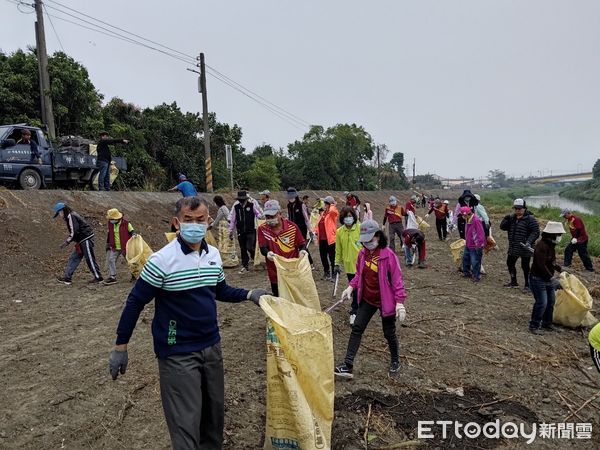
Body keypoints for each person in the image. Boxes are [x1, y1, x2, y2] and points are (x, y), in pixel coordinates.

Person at [108, 196, 268, 449]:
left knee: (213, 420)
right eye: (188, 220)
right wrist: (121, 346)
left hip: (211, 347)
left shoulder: (213, 255)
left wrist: (249, 295)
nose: (195, 225)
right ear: (176, 223)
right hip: (177, 351)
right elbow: (135, 302)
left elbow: (219, 290)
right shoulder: (161, 261)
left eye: (200, 220)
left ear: (208, 222)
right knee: (185, 425)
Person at [334, 220, 406, 379]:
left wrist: (399, 302)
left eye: (370, 240)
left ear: (379, 236)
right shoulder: (362, 254)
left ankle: (395, 360)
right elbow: (359, 274)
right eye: (364, 241)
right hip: (368, 298)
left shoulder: (389, 256)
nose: (367, 244)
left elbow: (397, 280)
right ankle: (347, 364)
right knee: (357, 328)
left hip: (385, 301)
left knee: (389, 333)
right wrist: (350, 287)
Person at [258, 200, 307, 296]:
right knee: (278, 297)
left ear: (280, 214)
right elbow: (263, 247)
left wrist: (302, 251)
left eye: (272, 216)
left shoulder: (292, 227)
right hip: (274, 271)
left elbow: (301, 244)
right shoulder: (262, 229)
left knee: (294, 296)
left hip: (292, 270)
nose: (269, 219)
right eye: (267, 217)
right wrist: (267, 253)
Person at [528, 221, 565, 334]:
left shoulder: (551, 245)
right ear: (552, 234)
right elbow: (541, 264)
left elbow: (551, 261)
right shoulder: (541, 246)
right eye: (558, 234)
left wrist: (560, 269)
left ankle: (547, 323)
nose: (560, 237)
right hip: (538, 279)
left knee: (550, 302)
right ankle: (534, 325)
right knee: (541, 302)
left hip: (546, 279)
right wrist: (551, 277)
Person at [54, 202, 103, 284]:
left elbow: (74, 231)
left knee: (89, 258)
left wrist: (67, 242)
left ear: (63, 210)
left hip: (86, 238)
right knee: (73, 258)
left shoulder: (71, 216)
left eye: (59, 213)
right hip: (81, 240)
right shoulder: (70, 216)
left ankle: (98, 277)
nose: (59, 215)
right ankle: (67, 277)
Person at [499, 199, 540, 293]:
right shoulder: (512, 218)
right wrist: (506, 219)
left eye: (520, 208)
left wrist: (529, 242)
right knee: (510, 263)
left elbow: (536, 232)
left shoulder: (530, 218)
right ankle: (514, 282)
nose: (517, 210)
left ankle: (528, 285)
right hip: (513, 246)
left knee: (525, 266)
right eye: (516, 208)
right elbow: (502, 227)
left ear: (524, 208)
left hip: (525, 247)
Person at [333, 207, 362, 325]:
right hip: (349, 266)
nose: (348, 219)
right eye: (346, 217)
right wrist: (336, 263)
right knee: (354, 289)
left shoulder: (360, 228)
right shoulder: (340, 232)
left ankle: (358, 310)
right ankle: (355, 311)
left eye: (350, 216)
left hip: (362, 265)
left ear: (354, 217)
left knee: (361, 288)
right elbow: (338, 250)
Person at [229, 191, 262, 274]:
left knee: (249, 247)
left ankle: (254, 257)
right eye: (240, 199)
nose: (241, 201)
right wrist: (230, 231)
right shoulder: (236, 207)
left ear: (246, 199)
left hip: (251, 230)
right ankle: (245, 266)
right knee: (243, 249)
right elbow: (233, 220)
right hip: (240, 231)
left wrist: (261, 217)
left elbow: (257, 213)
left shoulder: (251, 205)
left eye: (243, 199)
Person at [104, 208, 136, 285]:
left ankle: (134, 275)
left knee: (130, 261)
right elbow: (109, 233)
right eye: (110, 219)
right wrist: (108, 243)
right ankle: (113, 277)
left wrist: (134, 235)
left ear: (117, 218)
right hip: (115, 246)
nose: (111, 220)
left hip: (125, 246)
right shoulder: (110, 223)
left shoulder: (126, 223)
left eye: (112, 219)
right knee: (111, 260)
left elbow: (132, 231)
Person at [286, 187, 315, 266]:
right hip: (292, 229)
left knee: (302, 245)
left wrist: (310, 230)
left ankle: (310, 262)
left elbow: (306, 219)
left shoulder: (301, 205)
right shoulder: (289, 205)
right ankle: (298, 262)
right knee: (294, 246)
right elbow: (289, 218)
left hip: (301, 228)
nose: (290, 198)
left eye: (292, 196)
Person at [460, 206, 486, 282]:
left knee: (475, 261)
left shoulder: (476, 220)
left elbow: (481, 234)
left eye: (463, 215)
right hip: (468, 244)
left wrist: (479, 245)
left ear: (467, 214)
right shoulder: (468, 219)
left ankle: (476, 276)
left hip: (475, 245)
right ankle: (466, 272)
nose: (462, 217)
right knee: (465, 258)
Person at [316, 196, 339, 280]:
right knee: (323, 257)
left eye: (326, 203)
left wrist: (332, 204)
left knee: (332, 257)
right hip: (322, 239)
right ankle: (326, 272)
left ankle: (334, 273)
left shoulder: (332, 213)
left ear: (329, 204)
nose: (324, 205)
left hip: (330, 239)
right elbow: (319, 224)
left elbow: (333, 210)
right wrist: (315, 231)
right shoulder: (323, 214)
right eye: (324, 203)